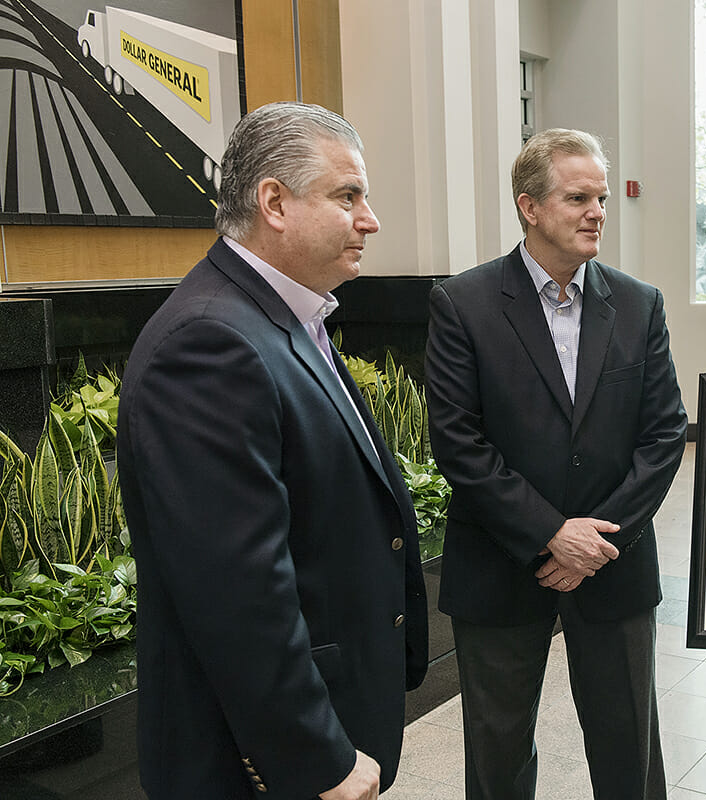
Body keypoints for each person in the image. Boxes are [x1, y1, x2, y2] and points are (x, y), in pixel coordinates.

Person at [117, 102, 428, 800]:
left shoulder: (285, 317)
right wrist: (317, 758)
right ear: (274, 203)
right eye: (347, 196)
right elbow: (238, 592)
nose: (369, 219)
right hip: (262, 762)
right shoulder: (209, 344)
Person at [424, 128, 687, 800]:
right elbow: (459, 443)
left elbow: (663, 437)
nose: (597, 210)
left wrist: (595, 542)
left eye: (600, 197)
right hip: (500, 563)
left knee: (628, 744)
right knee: (498, 750)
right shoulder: (463, 304)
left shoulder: (638, 303)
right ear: (530, 206)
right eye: (578, 197)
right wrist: (549, 533)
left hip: (613, 562)